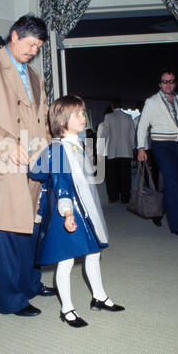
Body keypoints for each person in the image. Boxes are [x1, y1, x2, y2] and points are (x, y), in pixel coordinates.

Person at [0, 14, 55, 317]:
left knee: (33, 229)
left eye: (38, 47)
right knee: (6, 234)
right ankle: (11, 300)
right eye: (31, 45)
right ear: (15, 36)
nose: (34, 51)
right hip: (4, 162)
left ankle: (30, 284)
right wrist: (7, 144)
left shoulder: (35, 76)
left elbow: (42, 120)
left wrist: (48, 153)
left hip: (33, 165)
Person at [29, 95, 125, 328]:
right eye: (78, 114)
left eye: (83, 113)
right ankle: (67, 308)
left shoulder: (76, 144)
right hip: (69, 211)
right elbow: (61, 183)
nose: (84, 118)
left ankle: (99, 296)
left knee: (92, 253)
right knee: (66, 258)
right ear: (62, 121)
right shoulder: (60, 148)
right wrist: (67, 213)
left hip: (85, 209)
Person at [137, 69, 178, 235]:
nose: (168, 84)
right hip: (161, 145)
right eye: (165, 81)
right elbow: (143, 125)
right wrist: (141, 147)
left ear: (175, 83)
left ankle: (159, 211)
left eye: (171, 81)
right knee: (172, 183)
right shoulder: (152, 101)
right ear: (160, 84)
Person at [101, 98, 135, 203]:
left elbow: (105, 134)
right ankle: (125, 197)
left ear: (112, 106)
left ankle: (114, 197)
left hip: (113, 151)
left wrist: (100, 149)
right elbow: (132, 135)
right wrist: (132, 147)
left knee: (113, 176)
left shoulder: (108, 117)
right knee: (126, 175)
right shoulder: (129, 117)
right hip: (126, 150)